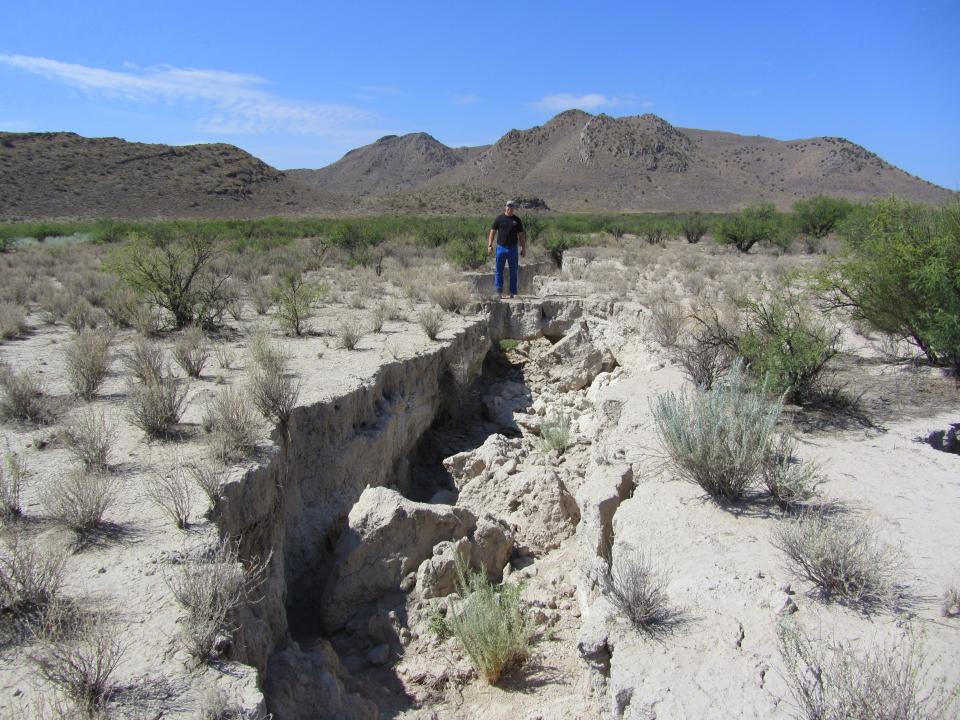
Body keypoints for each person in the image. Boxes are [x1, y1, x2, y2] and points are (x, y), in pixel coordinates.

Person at [487, 200, 526, 298]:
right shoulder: (499, 219)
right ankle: (498, 291)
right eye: (508, 206)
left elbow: (521, 235)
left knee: (513, 271)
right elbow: (492, 232)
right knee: (499, 270)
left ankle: (513, 292)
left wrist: (523, 248)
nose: (510, 208)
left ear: (514, 208)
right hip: (501, 248)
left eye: (512, 207)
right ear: (505, 207)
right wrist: (490, 245)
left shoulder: (517, 220)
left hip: (513, 248)